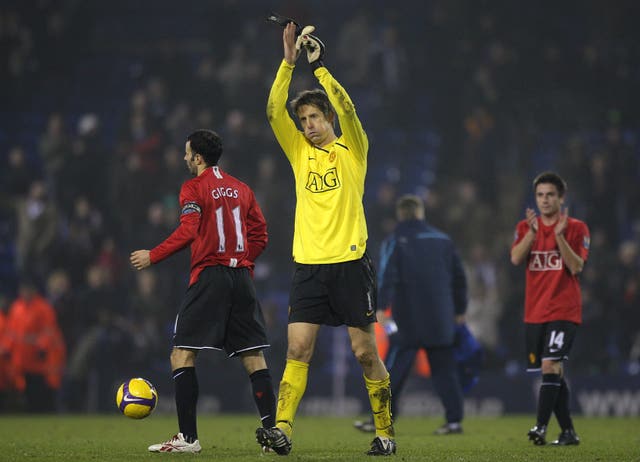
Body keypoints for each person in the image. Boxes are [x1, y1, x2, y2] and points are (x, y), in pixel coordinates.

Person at [255, 22, 396, 456]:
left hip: (351, 264)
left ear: (327, 118)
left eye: (315, 117)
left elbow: (350, 112)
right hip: (310, 266)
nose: (309, 124)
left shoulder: (353, 150)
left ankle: (385, 434)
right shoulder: (299, 153)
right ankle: (282, 430)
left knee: (364, 354)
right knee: (297, 348)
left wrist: (321, 72)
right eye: (304, 120)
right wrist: (288, 64)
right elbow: (273, 111)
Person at [130, 129, 276, 454]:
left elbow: (188, 230)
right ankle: (272, 434)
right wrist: (241, 260)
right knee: (253, 356)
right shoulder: (242, 188)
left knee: (182, 353)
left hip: (210, 275)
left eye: (186, 153)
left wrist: (153, 255)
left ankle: (188, 439)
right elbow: (261, 235)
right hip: (241, 278)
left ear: (197, 157)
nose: (184, 158)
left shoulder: (193, 187)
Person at [354, 194, 469, 435]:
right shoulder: (443, 240)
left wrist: (382, 308)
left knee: (394, 370)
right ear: (420, 213)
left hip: (409, 318)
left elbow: (387, 277)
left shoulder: (396, 240)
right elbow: (460, 278)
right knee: (445, 370)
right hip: (440, 317)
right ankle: (454, 421)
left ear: (400, 214)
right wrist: (459, 310)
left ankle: (382, 419)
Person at [510, 171, 590, 446]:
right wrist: (533, 235)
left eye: (550, 195)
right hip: (534, 312)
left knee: (550, 364)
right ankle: (568, 432)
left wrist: (559, 237)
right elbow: (516, 258)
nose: (545, 200)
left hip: (564, 310)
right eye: (540, 195)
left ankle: (540, 427)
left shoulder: (577, 228)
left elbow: (577, 266)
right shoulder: (525, 227)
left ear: (561, 198)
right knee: (553, 373)